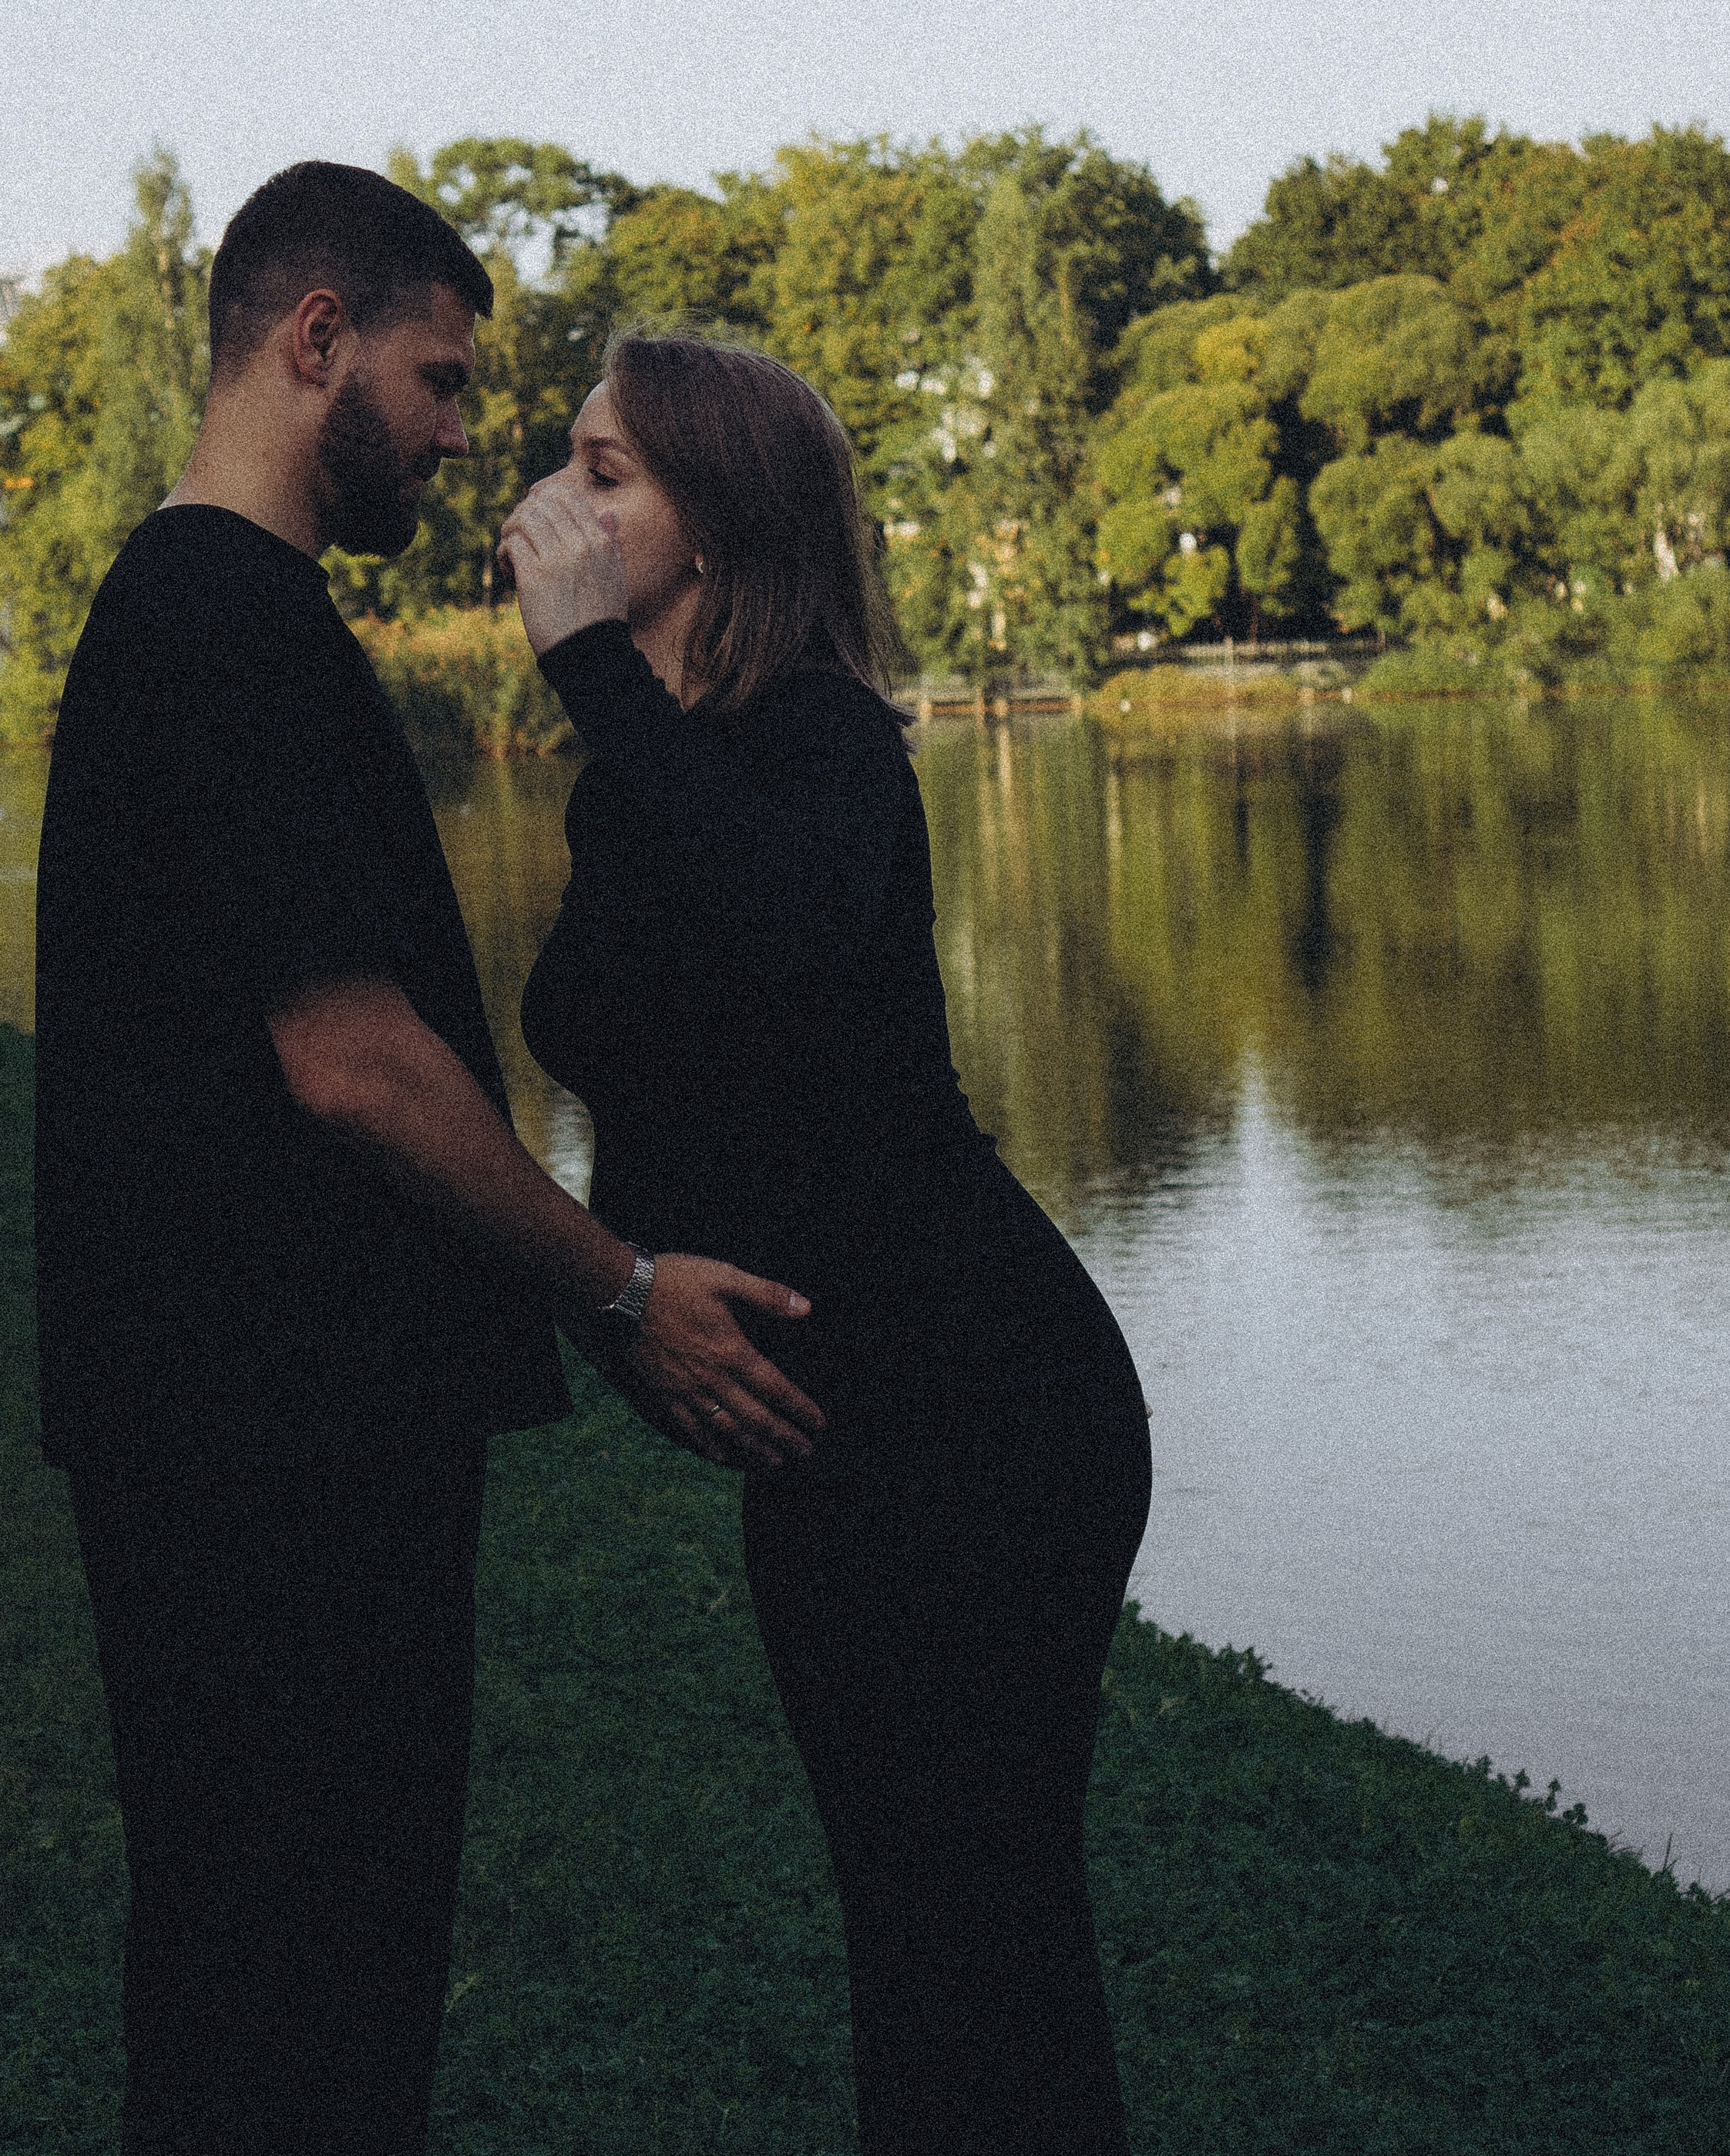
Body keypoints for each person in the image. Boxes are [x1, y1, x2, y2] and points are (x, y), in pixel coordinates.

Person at [34, 166, 825, 2156]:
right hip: (272, 1448)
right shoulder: (229, 628)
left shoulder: (212, 613)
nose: (468, 432)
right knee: (304, 1983)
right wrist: (620, 1288)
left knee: (258, 1969)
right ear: (317, 346)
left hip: (240, 1429)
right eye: (443, 379)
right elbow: (353, 1065)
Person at [499, 332, 1154, 2156]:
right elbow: (632, 1035)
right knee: (912, 1911)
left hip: (981, 1406)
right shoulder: (654, 763)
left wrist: (584, 678)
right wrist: (616, 1292)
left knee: (982, 1914)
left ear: (717, 516)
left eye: (603, 471)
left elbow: (782, 923)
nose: (552, 505)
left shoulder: (820, 739)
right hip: (834, 1423)